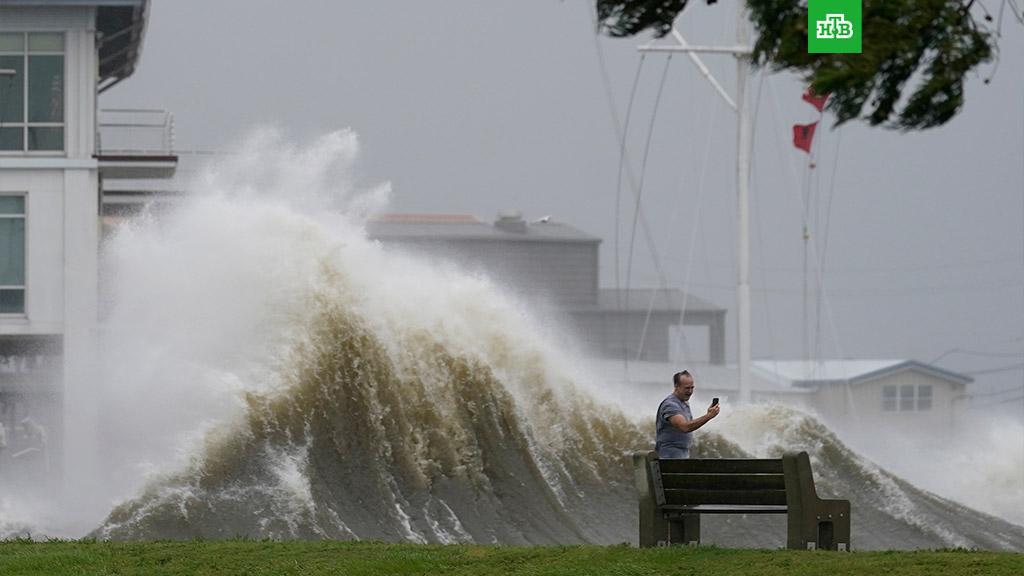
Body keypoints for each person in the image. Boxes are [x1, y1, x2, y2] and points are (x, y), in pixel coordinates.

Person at [655, 370, 720, 459]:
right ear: (676, 386)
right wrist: (708, 416)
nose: (690, 391)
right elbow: (684, 427)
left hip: (682, 454)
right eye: (686, 388)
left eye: (692, 388)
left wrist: (708, 414)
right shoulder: (670, 405)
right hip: (668, 456)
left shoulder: (684, 403)